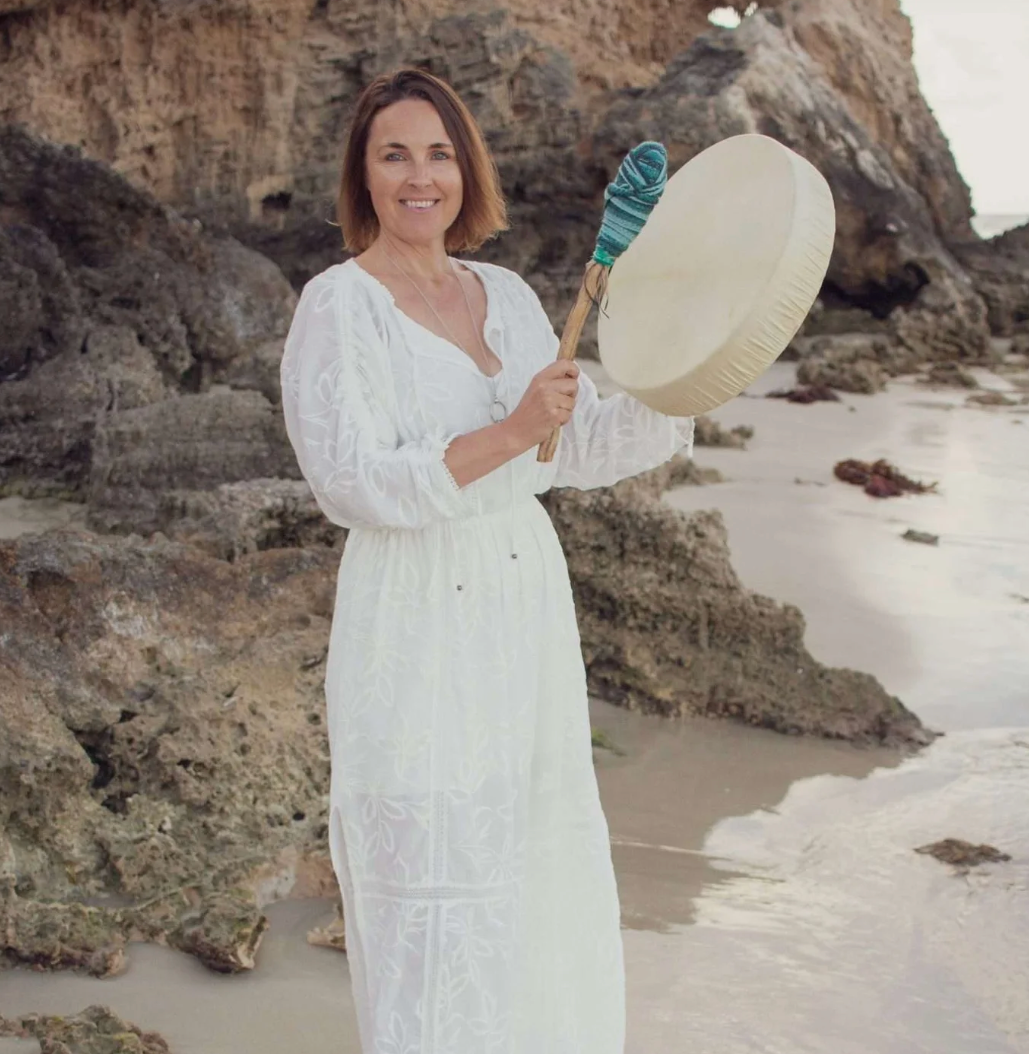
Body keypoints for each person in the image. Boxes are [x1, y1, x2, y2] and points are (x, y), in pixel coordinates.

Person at [279, 66, 694, 1054]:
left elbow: (578, 443)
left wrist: (697, 369)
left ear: (466, 169)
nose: (420, 177)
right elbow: (351, 482)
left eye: (438, 154)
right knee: (430, 866)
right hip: (415, 608)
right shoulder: (338, 307)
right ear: (362, 175)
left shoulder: (503, 295)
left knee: (530, 857)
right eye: (394, 155)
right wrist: (509, 431)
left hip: (518, 599)